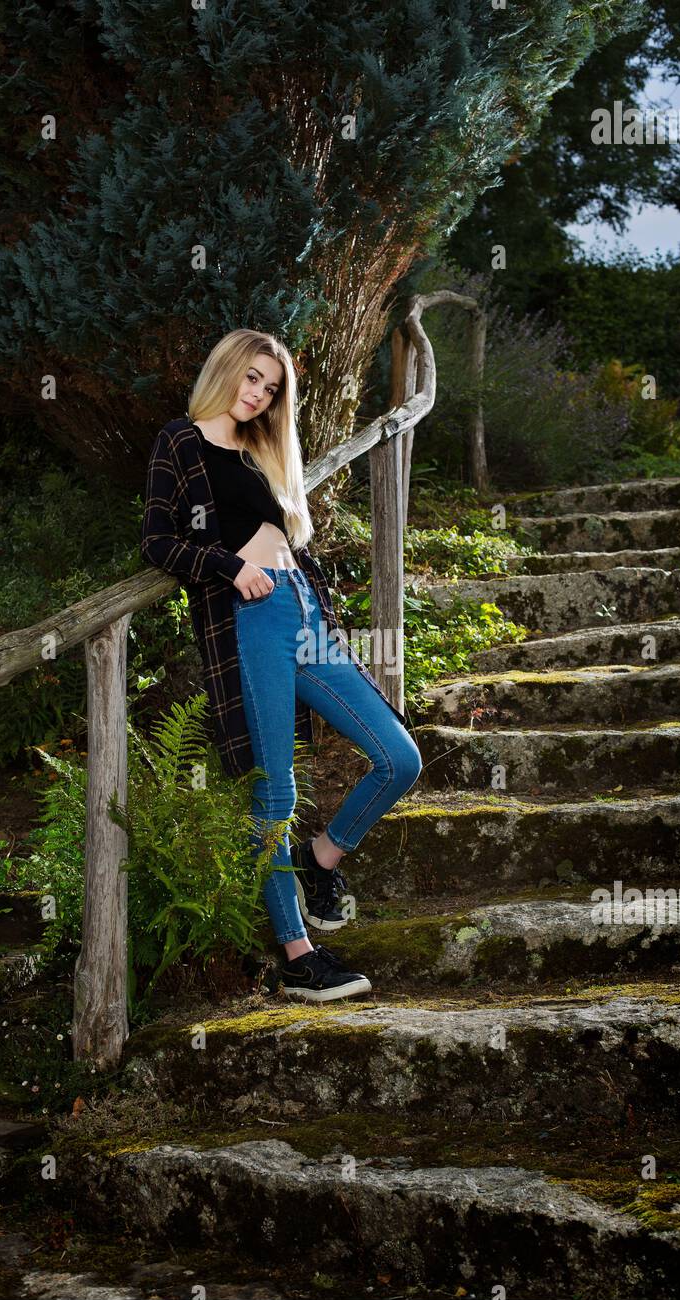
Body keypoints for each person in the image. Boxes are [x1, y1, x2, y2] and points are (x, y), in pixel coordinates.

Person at [141, 328, 423, 1002]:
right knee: (276, 792)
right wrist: (229, 566)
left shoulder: (261, 449)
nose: (258, 393)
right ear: (227, 370)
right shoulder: (180, 441)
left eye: (269, 387)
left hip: (302, 609)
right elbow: (158, 541)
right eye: (251, 378)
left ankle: (320, 859)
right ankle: (298, 956)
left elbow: (285, 536)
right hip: (252, 620)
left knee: (399, 756)